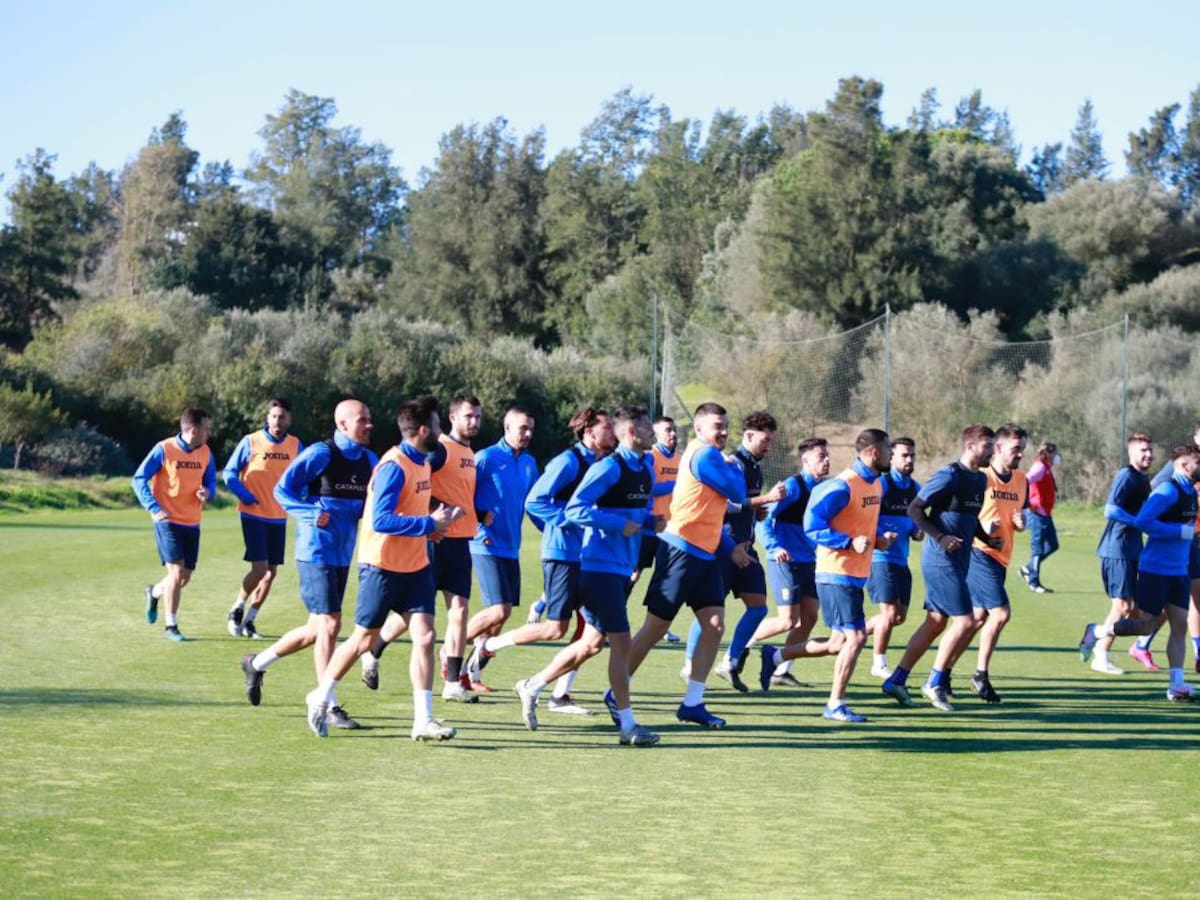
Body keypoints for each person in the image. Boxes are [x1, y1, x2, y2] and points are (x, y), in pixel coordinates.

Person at [304, 396, 464, 740]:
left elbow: (413, 511)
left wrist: (432, 529)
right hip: (382, 567)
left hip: (416, 565)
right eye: (437, 425)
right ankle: (320, 696)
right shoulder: (394, 466)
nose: (441, 431)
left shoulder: (422, 461)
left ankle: (423, 720)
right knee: (363, 640)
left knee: (425, 636)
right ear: (424, 431)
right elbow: (381, 520)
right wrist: (427, 524)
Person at [515, 405, 664, 746]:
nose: (652, 431)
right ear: (631, 432)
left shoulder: (646, 466)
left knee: (592, 643)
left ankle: (533, 685)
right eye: (646, 426)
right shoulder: (609, 467)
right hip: (597, 567)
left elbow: (637, 513)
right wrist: (618, 524)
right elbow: (576, 509)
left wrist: (648, 523)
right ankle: (628, 726)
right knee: (621, 642)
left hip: (620, 567)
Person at [465, 407, 616, 713]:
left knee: (592, 631)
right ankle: (485, 646)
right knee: (553, 629)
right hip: (559, 554)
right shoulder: (567, 461)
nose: (614, 433)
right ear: (590, 432)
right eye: (608, 428)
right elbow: (535, 502)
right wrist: (568, 523)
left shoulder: (597, 463)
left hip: (584, 555)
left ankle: (559, 695)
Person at [238, 399, 376, 731]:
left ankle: (256, 663)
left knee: (316, 629)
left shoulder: (370, 460)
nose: (369, 425)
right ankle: (326, 704)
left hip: (343, 553)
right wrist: (311, 513)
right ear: (343, 424)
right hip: (315, 551)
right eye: (362, 420)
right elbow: (282, 490)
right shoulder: (320, 454)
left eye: (369, 419)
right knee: (330, 624)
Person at [757, 429, 895, 723]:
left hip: (856, 574)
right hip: (835, 573)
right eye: (888, 450)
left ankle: (775, 657)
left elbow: (860, 524)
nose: (891, 455)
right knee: (856, 637)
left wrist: (878, 538)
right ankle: (835, 704)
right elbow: (813, 526)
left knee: (836, 644)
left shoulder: (876, 484)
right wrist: (848, 542)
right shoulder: (841, 486)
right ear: (874, 453)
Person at [625, 402, 748, 729]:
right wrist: (735, 465)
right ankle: (616, 692)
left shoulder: (710, 455)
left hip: (705, 554)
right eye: (717, 426)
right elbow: (738, 492)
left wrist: (728, 547)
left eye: (725, 425)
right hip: (680, 551)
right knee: (655, 628)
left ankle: (692, 703)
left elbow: (720, 505)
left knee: (714, 625)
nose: (724, 431)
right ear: (699, 428)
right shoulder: (706, 455)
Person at [360, 394, 485, 702]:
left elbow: (459, 492)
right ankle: (373, 649)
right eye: (468, 416)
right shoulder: (438, 450)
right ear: (453, 418)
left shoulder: (469, 452)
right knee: (413, 614)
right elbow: (417, 489)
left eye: (478, 416)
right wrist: (437, 514)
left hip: (460, 541)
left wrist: (478, 514)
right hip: (431, 539)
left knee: (459, 610)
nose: (474, 422)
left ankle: (452, 682)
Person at [881, 424, 996, 712]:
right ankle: (934, 682)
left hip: (959, 560)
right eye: (987, 447)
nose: (991, 452)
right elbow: (915, 509)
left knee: (935, 622)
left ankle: (896, 680)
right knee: (966, 622)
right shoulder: (949, 475)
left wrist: (987, 539)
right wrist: (941, 537)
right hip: (940, 560)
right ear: (970, 446)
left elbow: (969, 518)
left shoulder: (981, 480)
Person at [1080, 443, 1200, 701]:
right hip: (1155, 571)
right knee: (1145, 627)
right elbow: (1144, 521)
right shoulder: (1168, 490)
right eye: (1198, 462)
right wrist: (1179, 532)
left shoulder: (1191, 491)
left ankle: (1176, 685)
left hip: (1179, 572)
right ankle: (1097, 631)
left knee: (1179, 627)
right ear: (1183, 465)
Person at [681, 411, 785, 692]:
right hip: (724, 547)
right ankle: (689, 665)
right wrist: (763, 500)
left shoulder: (755, 466)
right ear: (749, 435)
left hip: (746, 548)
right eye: (765, 440)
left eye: (771, 440)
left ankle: (729, 661)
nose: (769, 446)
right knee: (710, 611)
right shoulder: (732, 463)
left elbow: (743, 504)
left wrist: (756, 511)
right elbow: (723, 505)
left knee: (759, 607)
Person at [460, 406, 540, 691]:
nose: (527, 433)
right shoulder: (485, 458)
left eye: (531, 429)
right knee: (499, 610)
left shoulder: (529, 463)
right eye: (522, 428)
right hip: (484, 542)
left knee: (497, 621)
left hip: (511, 546)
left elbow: (535, 504)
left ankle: (470, 675)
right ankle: (450, 651)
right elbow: (463, 496)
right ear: (507, 428)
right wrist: (480, 522)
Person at [746, 436, 830, 687]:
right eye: (821, 456)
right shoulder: (793, 487)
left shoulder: (823, 489)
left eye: (827, 456)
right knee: (787, 621)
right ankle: (738, 647)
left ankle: (781, 671)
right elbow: (762, 519)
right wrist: (774, 547)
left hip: (810, 563)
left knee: (810, 618)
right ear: (805, 461)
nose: (826, 460)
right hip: (785, 561)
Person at [132, 408, 217, 642]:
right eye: (206, 429)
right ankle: (171, 626)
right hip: (167, 520)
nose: (209, 433)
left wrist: (208, 492)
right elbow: (138, 479)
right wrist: (153, 507)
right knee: (176, 573)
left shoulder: (206, 452)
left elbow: (211, 481)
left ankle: (154, 592)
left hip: (192, 521)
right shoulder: (164, 449)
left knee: (183, 578)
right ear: (193, 430)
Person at [222, 398, 303, 639]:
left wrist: (302, 495)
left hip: (278, 516)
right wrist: (244, 495)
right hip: (253, 514)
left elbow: (304, 475)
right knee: (259, 569)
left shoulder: (296, 445)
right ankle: (237, 607)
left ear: (290, 420)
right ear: (268, 418)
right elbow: (229, 473)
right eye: (273, 416)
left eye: (282, 417)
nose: (277, 421)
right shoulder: (251, 441)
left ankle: (250, 621)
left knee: (270, 573)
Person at [961, 423, 1028, 703]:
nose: (1020, 454)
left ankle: (942, 673)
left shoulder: (1022, 479)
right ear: (998, 447)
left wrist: (1020, 523)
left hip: (1002, 558)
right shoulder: (981, 478)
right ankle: (980, 675)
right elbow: (964, 514)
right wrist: (981, 527)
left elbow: (1018, 515)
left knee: (976, 619)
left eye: (1023, 449)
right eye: (1016, 449)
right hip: (979, 553)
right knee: (1000, 614)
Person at [1079, 433, 1154, 675]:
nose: (1148, 454)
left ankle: (1097, 632)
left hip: (1133, 549)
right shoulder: (1126, 475)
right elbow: (1110, 510)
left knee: (1138, 613)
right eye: (1143, 450)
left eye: (1150, 450)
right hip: (1117, 549)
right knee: (1122, 607)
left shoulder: (1143, 479)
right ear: (1131, 452)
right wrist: (1138, 522)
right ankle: (1100, 654)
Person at [1130, 422, 1200, 671]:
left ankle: (1176, 680)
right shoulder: (1174, 480)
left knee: (1180, 616)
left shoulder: (1191, 480)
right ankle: (1103, 632)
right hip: (1170, 557)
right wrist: (1177, 529)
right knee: (1152, 620)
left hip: (1185, 553)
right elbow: (1146, 515)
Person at [864, 437, 922, 679]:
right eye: (904, 455)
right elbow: (865, 517)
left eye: (912, 455)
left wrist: (917, 531)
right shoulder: (881, 484)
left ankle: (852, 634)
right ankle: (879, 663)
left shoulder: (916, 488)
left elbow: (916, 520)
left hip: (901, 560)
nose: (909, 460)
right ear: (892, 457)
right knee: (888, 613)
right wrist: (880, 535)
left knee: (898, 617)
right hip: (880, 557)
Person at [628, 416, 683, 643]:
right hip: (648, 528)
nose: (673, 434)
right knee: (633, 575)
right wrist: (673, 485)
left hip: (669, 531)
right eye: (667, 430)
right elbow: (645, 488)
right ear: (656, 434)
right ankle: (608, 624)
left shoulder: (681, 459)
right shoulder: (651, 457)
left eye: (674, 429)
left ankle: (658, 627)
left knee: (665, 578)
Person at [1020, 440, 1059, 593]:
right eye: (1054, 453)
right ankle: (1034, 582)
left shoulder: (1046, 467)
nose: (1056, 456)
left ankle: (1028, 568)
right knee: (1037, 548)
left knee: (1053, 545)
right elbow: (1025, 481)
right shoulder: (1040, 467)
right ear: (1048, 453)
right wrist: (1027, 502)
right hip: (1037, 514)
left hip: (1045, 514)